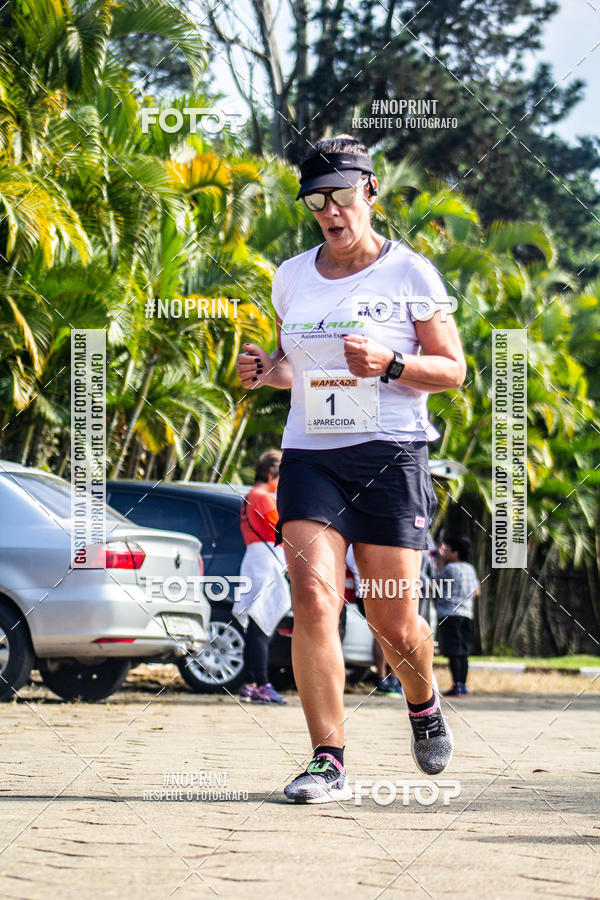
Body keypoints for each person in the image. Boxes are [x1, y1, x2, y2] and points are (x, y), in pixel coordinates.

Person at [237, 135, 466, 803]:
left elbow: (451, 369)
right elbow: (291, 369)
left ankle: (422, 701)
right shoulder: (290, 275)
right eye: (317, 201)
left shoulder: (411, 273)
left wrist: (391, 366)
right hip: (312, 454)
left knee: (391, 618)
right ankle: (326, 759)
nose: (331, 212)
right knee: (313, 600)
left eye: (342, 197)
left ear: (370, 193)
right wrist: (264, 372)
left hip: (392, 453)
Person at [233, 450, 291, 705]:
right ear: (270, 474)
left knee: (257, 626)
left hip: (255, 560)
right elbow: (282, 528)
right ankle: (261, 684)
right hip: (265, 563)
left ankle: (250, 683)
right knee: (260, 628)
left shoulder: (250, 497)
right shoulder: (262, 497)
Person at [346, 545, 402, 695]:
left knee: (383, 635)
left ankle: (386, 678)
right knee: (386, 635)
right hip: (375, 591)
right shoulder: (363, 544)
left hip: (369, 592)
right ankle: (388, 678)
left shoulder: (353, 545)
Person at [433, 536, 480, 696]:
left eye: (447, 550)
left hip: (450, 615)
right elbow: (476, 591)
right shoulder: (470, 569)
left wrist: (439, 561)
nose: (444, 552)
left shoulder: (450, 568)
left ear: (455, 553)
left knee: (453, 651)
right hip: (467, 614)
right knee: (463, 652)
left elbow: (435, 583)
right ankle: (462, 685)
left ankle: (456, 685)